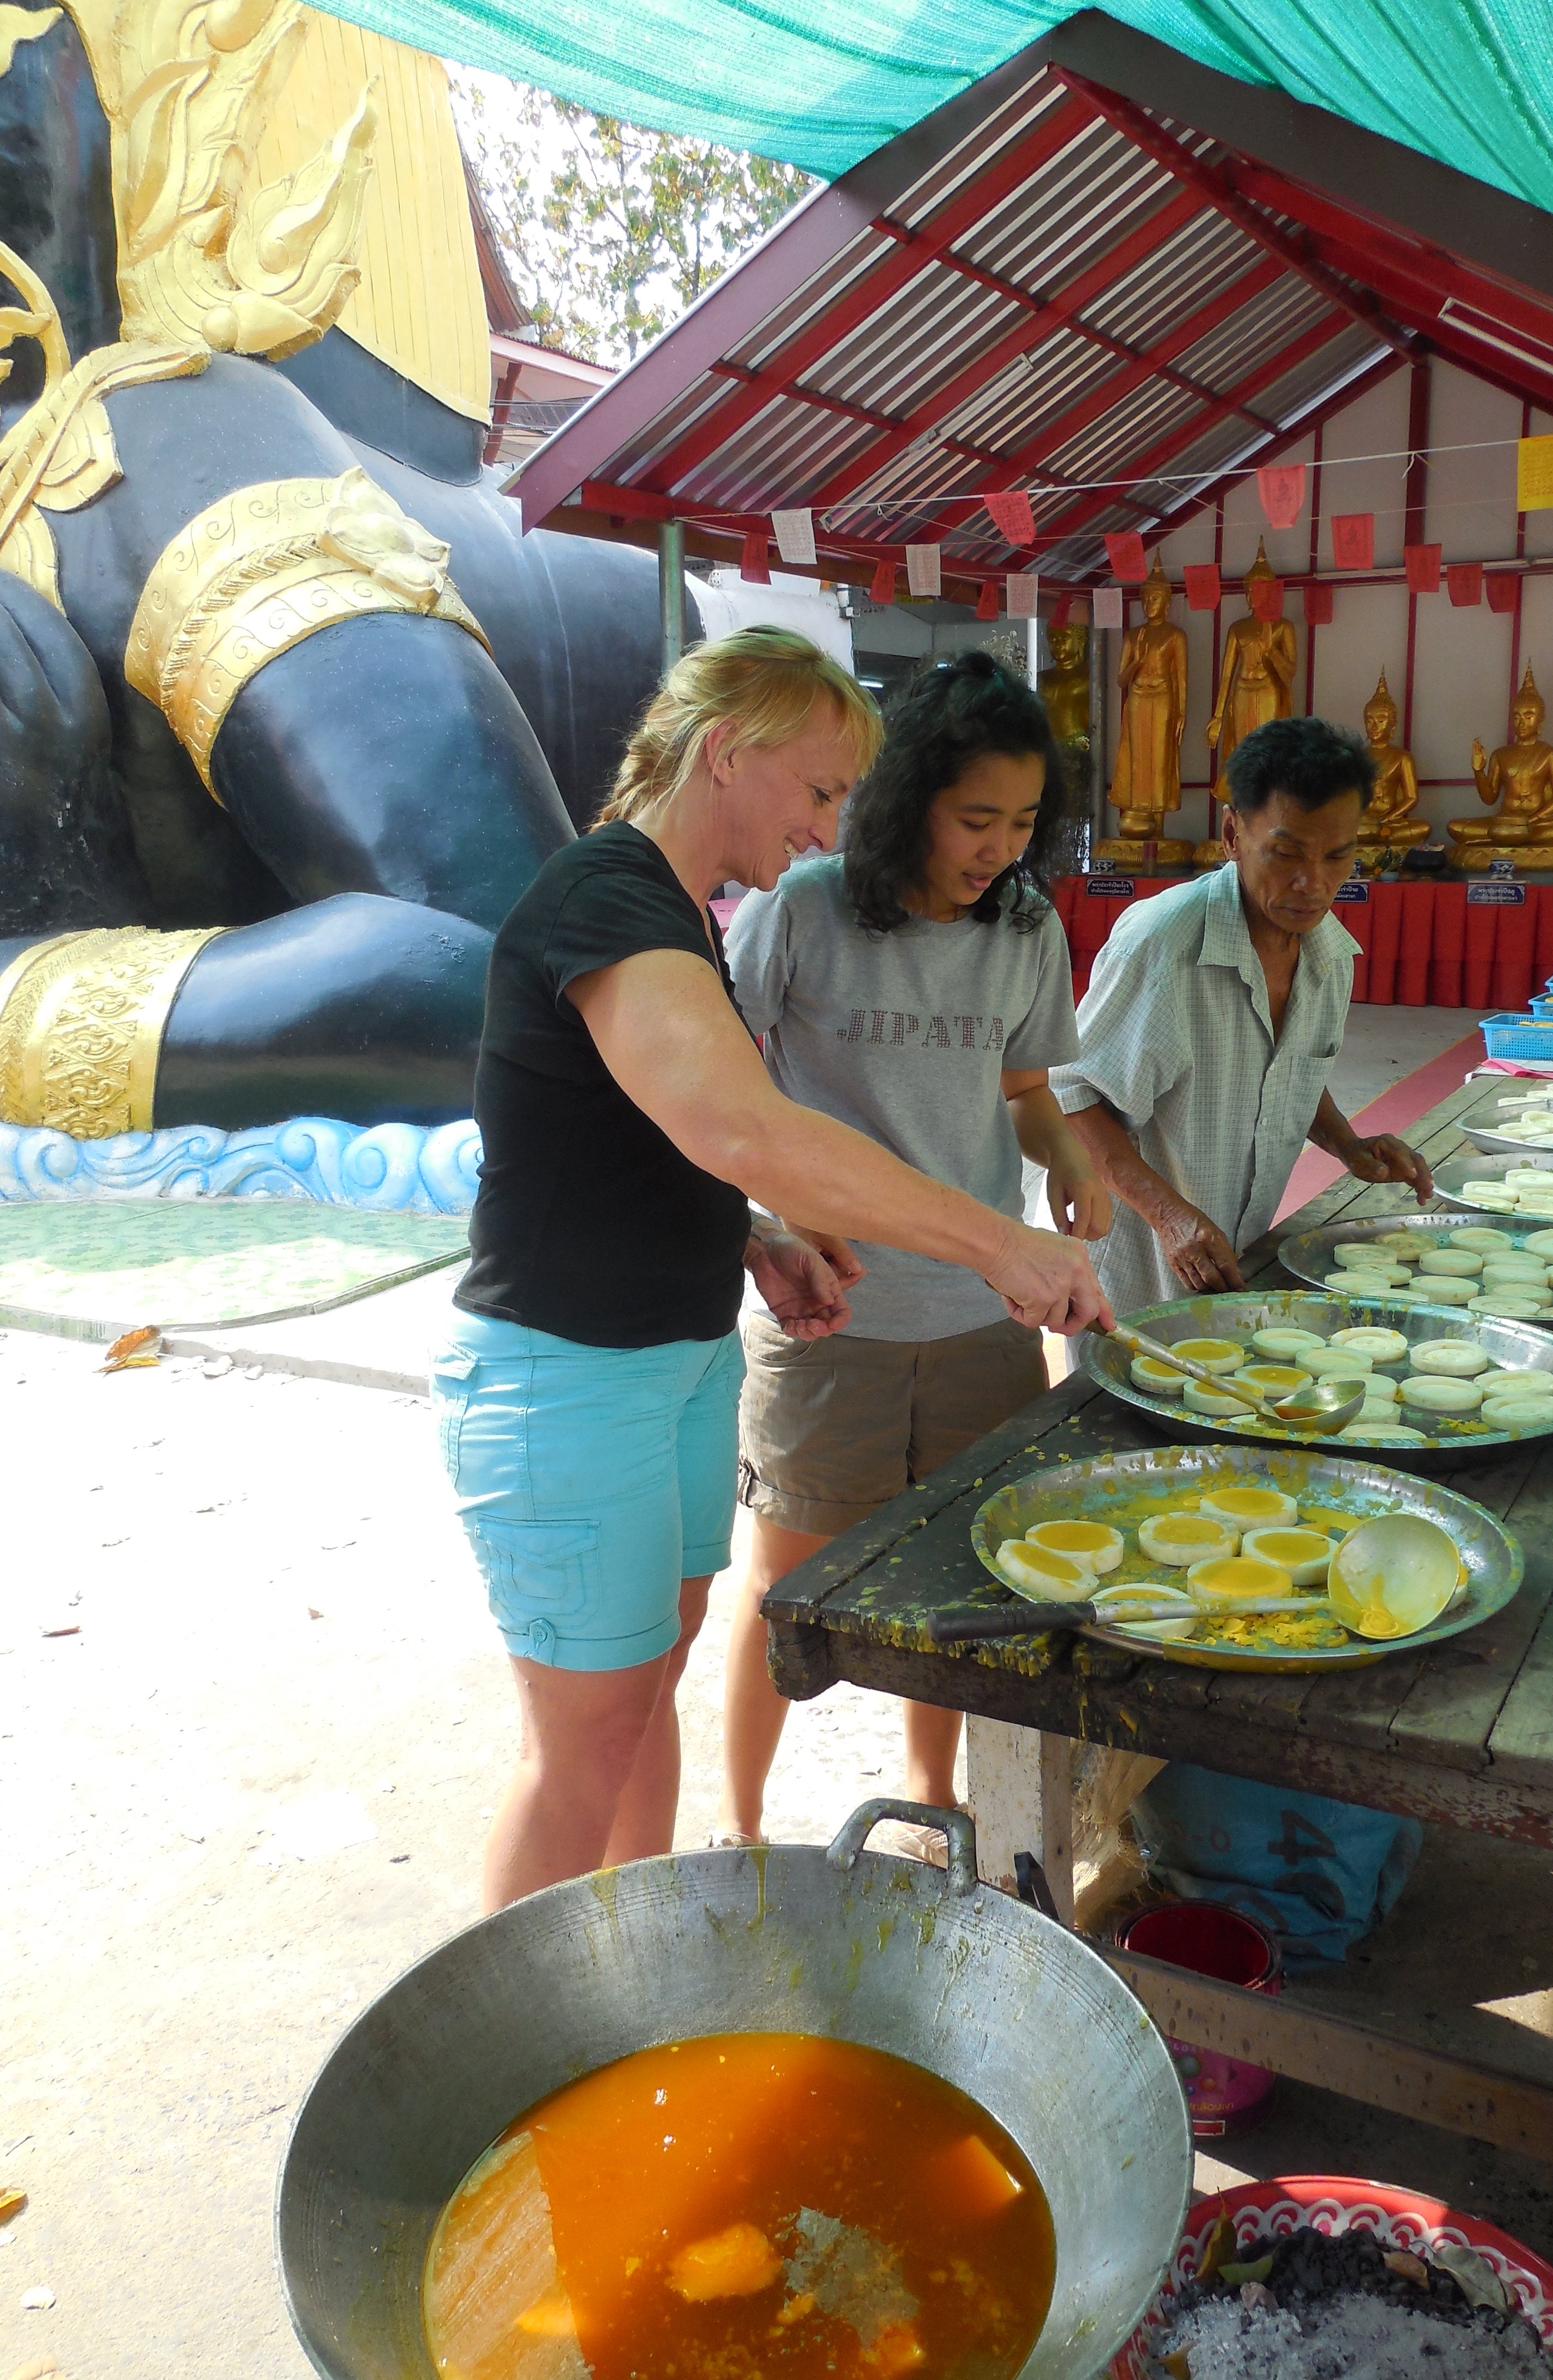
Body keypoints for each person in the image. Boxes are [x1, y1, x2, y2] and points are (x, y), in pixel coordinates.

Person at [434, 629, 1112, 1910]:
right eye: (817, 789)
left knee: (644, 1694)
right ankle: (515, 2022)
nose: (831, 824)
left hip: (673, 1359)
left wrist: (753, 1238)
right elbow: (744, 1127)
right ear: (723, 752)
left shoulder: (678, 915)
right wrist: (998, 1241)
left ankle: (631, 1966)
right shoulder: (605, 895)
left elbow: (647, 1137)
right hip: (569, 1379)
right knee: (579, 1751)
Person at [718, 652, 1112, 1849]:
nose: (1000, 847)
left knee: (961, 1572)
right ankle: (740, 1828)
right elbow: (718, 1089)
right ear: (905, 801)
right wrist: (768, 1218)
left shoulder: (1026, 926)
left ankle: (933, 1795)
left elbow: (1026, 1089)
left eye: (1025, 821)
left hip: (983, 1317)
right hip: (829, 1317)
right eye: (975, 817)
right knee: (786, 1586)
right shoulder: (804, 910)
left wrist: (1069, 1158)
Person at [1056, 715, 1433, 1311]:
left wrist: (1348, 1145)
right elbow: (1071, 1097)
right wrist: (1169, 1216)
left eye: (1338, 857)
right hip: (1130, 1265)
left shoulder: (1330, 955)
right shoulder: (1162, 944)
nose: (1313, 883)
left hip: (1237, 1254)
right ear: (1232, 835)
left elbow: (1288, 1071)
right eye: (1286, 854)